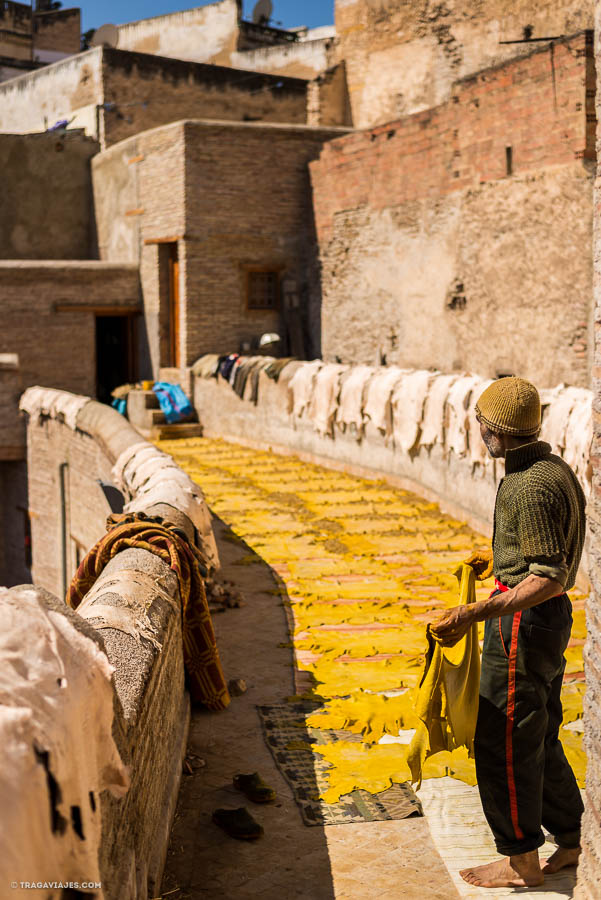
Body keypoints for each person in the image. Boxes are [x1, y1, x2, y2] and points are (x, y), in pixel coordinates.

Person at [431, 376, 585, 889]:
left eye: (481, 426)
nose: (479, 434)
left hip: (523, 625)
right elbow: (542, 556)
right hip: (546, 622)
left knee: (503, 738)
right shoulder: (552, 467)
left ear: (495, 431)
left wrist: (473, 613)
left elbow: (548, 575)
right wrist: (499, 560)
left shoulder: (527, 485)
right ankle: (571, 840)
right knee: (538, 731)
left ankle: (520, 859)